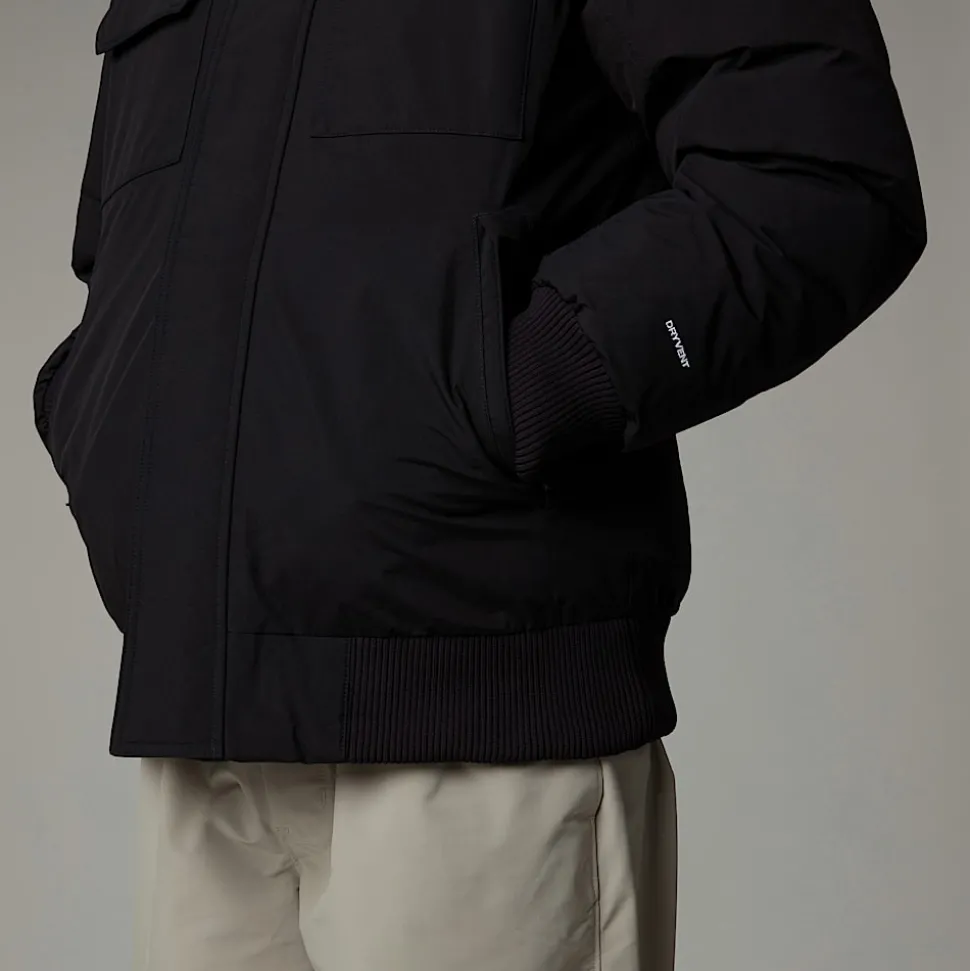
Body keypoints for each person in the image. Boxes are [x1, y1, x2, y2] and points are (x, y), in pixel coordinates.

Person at [32, 0, 926, 968]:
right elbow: (123, 249)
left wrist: (540, 383)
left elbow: (815, 171)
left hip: (482, 729)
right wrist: (95, 415)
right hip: (198, 739)